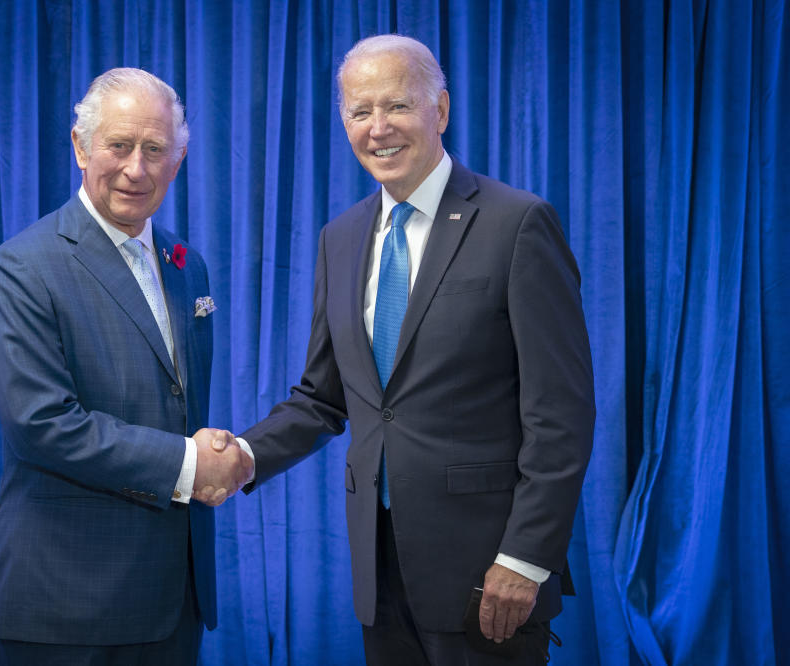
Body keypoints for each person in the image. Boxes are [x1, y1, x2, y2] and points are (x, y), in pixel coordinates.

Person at [237, 35, 595, 665]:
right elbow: (324, 397)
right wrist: (241, 456)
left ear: (442, 111)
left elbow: (561, 415)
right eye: (359, 111)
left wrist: (525, 558)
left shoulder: (518, 223)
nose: (378, 129)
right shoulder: (340, 237)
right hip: (380, 573)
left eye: (397, 106)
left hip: (490, 577)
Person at [0, 67, 252, 664]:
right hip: (67, 604)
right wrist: (189, 462)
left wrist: (217, 459)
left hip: (175, 600)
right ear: (80, 147)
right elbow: (41, 425)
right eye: (119, 145)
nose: (137, 168)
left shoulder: (187, 264)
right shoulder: (22, 267)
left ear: (178, 160)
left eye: (155, 149)